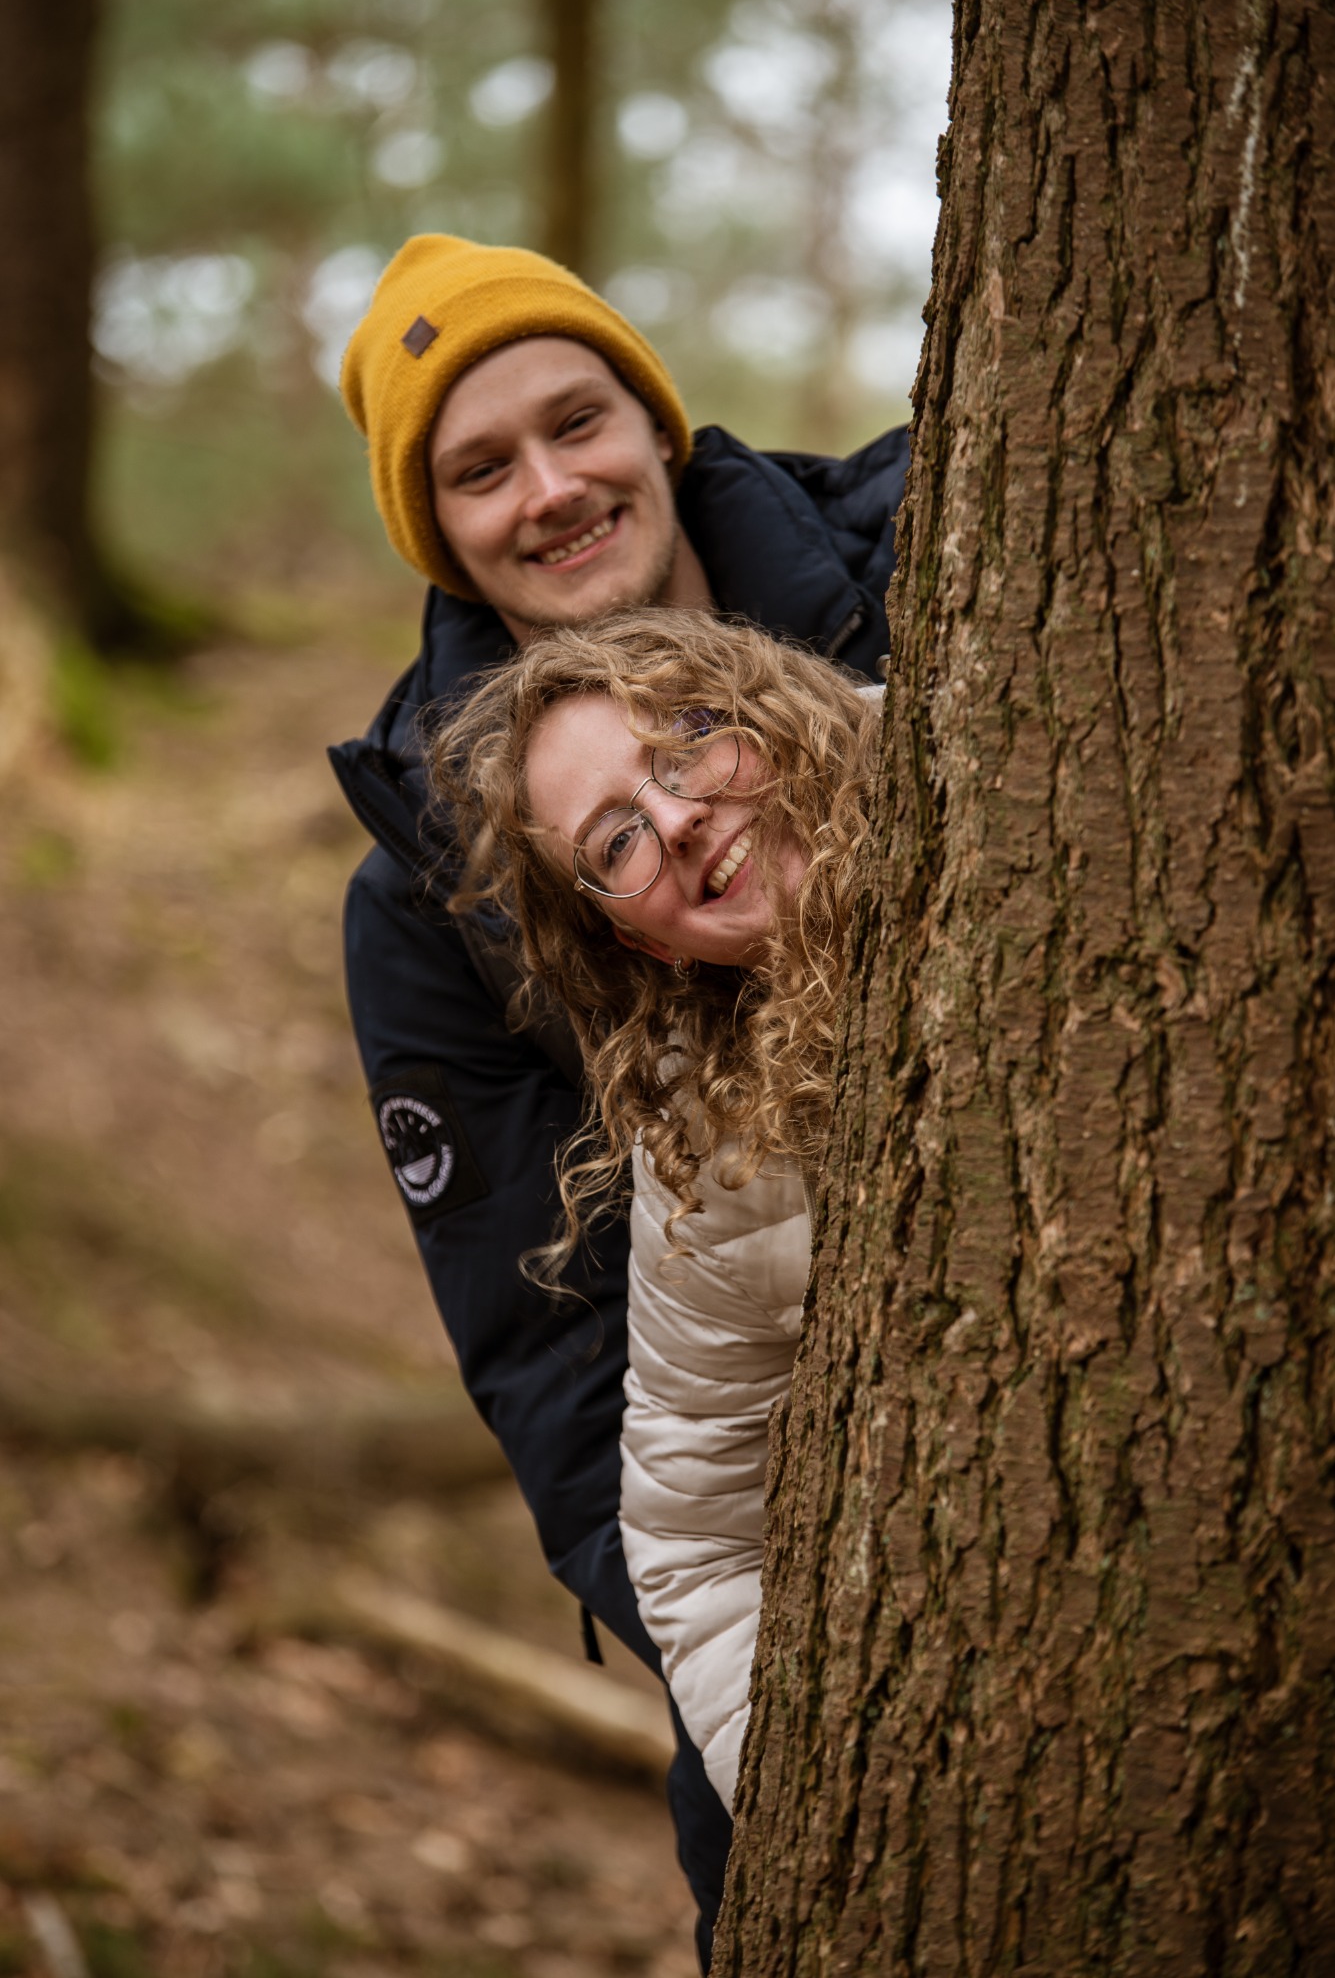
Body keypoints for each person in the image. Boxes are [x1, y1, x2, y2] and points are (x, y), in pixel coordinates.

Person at [327, 232, 908, 1955]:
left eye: (576, 421)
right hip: (798, 1525)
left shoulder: (922, 547)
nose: (551, 489)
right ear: (440, 533)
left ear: (654, 419)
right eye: (480, 469)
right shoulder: (426, 885)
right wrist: (795, 1676)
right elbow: (554, 1354)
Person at [429, 605, 880, 1812]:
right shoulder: (711, 1153)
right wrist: (812, 1809)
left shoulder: (1010, 765)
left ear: (773, 716)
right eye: (616, 839)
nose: (677, 819)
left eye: (687, 739)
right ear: (639, 942)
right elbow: (691, 1545)